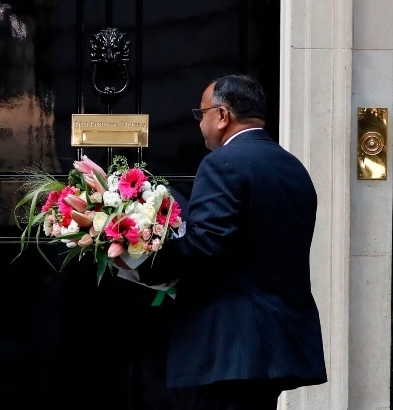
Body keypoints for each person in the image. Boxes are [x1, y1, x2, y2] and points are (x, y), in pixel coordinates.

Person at [138, 74, 327, 410]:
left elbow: (205, 245)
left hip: (230, 345)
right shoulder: (293, 167)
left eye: (202, 114)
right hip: (279, 341)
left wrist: (143, 261)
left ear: (222, 115)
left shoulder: (222, 163)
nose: (200, 125)